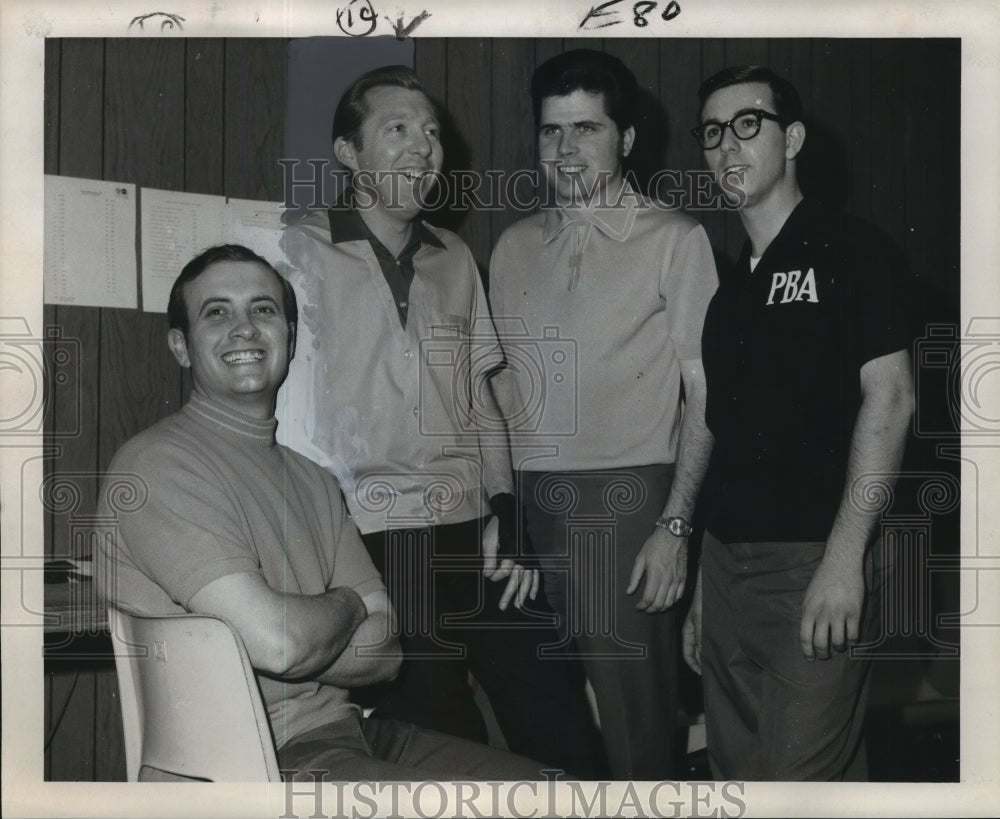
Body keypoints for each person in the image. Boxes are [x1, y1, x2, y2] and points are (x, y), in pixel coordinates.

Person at [95, 244, 547, 782]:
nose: (244, 328)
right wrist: (349, 605)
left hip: (351, 735)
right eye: (216, 312)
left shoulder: (313, 480)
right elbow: (281, 644)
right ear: (182, 346)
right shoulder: (157, 467)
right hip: (254, 765)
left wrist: (311, 634)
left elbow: (387, 653)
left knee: (556, 793)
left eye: (262, 310)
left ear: (289, 334)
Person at [275, 65, 605, 777]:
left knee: (566, 729)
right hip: (367, 545)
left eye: (431, 133)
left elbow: (481, 399)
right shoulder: (291, 250)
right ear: (347, 154)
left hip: (471, 537)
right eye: (397, 129)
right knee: (442, 747)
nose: (423, 147)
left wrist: (506, 510)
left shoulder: (453, 256)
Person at [488, 49, 719, 780]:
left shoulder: (675, 240)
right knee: (537, 730)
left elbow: (706, 398)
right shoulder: (512, 245)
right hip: (528, 509)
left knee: (633, 730)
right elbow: (500, 396)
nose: (566, 149)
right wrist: (507, 509)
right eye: (551, 131)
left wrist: (675, 527)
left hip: (624, 505)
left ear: (626, 138)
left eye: (586, 128)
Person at [685, 65, 916, 780]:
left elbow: (893, 401)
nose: (728, 145)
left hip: (817, 561)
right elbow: (720, 441)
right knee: (737, 772)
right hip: (728, 571)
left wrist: (846, 560)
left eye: (748, 124)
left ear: (793, 138)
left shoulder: (855, 250)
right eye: (714, 132)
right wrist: (702, 587)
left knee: (798, 780)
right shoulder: (730, 297)